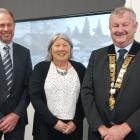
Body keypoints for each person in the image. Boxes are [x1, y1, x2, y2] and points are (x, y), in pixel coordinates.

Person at [81, 7, 140, 140]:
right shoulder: (97, 56)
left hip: (134, 133)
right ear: (110, 28)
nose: (120, 30)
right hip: (100, 134)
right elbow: (86, 93)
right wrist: (101, 128)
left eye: (125, 24)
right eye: (115, 25)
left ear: (135, 26)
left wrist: (125, 128)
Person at [29, 33, 86, 140]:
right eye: (57, 45)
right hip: (45, 128)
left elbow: (85, 98)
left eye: (65, 45)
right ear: (50, 49)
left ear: (70, 49)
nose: (61, 49)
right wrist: (54, 122)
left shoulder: (80, 69)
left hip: (73, 128)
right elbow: (35, 97)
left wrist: (75, 122)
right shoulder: (40, 68)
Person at [0, 8, 32, 140]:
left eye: (9, 24)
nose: (6, 29)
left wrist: (15, 114)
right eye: (2, 25)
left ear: (14, 26)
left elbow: (28, 87)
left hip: (17, 121)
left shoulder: (24, 53)